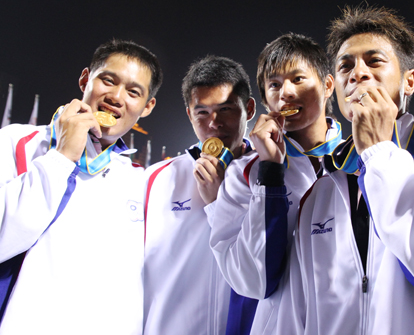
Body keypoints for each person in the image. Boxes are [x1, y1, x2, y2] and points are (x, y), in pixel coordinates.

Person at [276, 5, 414, 334]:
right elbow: (297, 314)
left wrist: (379, 152)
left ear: (409, 81)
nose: (358, 74)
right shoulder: (320, 190)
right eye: (345, 66)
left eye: (374, 61)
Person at [0, 39, 162, 334]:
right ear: (85, 79)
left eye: (133, 92)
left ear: (147, 106)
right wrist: (61, 157)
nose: (116, 97)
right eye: (108, 80)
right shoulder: (17, 143)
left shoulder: (141, 183)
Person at [209, 33, 341, 334]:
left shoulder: (359, 163)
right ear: (265, 100)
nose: (286, 93)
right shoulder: (244, 173)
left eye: (298, 79)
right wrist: (270, 172)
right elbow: (251, 281)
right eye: (274, 85)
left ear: (327, 85)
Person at [143, 55, 256, 335]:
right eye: (202, 112)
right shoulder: (155, 180)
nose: (214, 123)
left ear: (249, 109)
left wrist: (219, 203)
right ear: (189, 115)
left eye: (226, 109)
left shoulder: (271, 178)